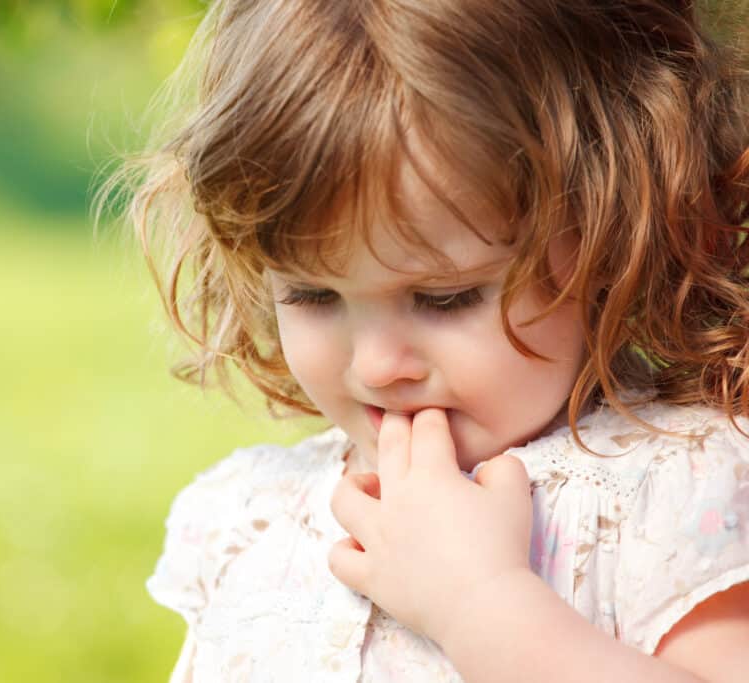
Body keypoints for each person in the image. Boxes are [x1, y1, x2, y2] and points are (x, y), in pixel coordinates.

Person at [113, 0, 749, 680]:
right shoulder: (253, 522)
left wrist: (483, 606)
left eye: (444, 298)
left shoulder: (677, 485)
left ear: (612, 234)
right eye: (312, 295)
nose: (377, 365)